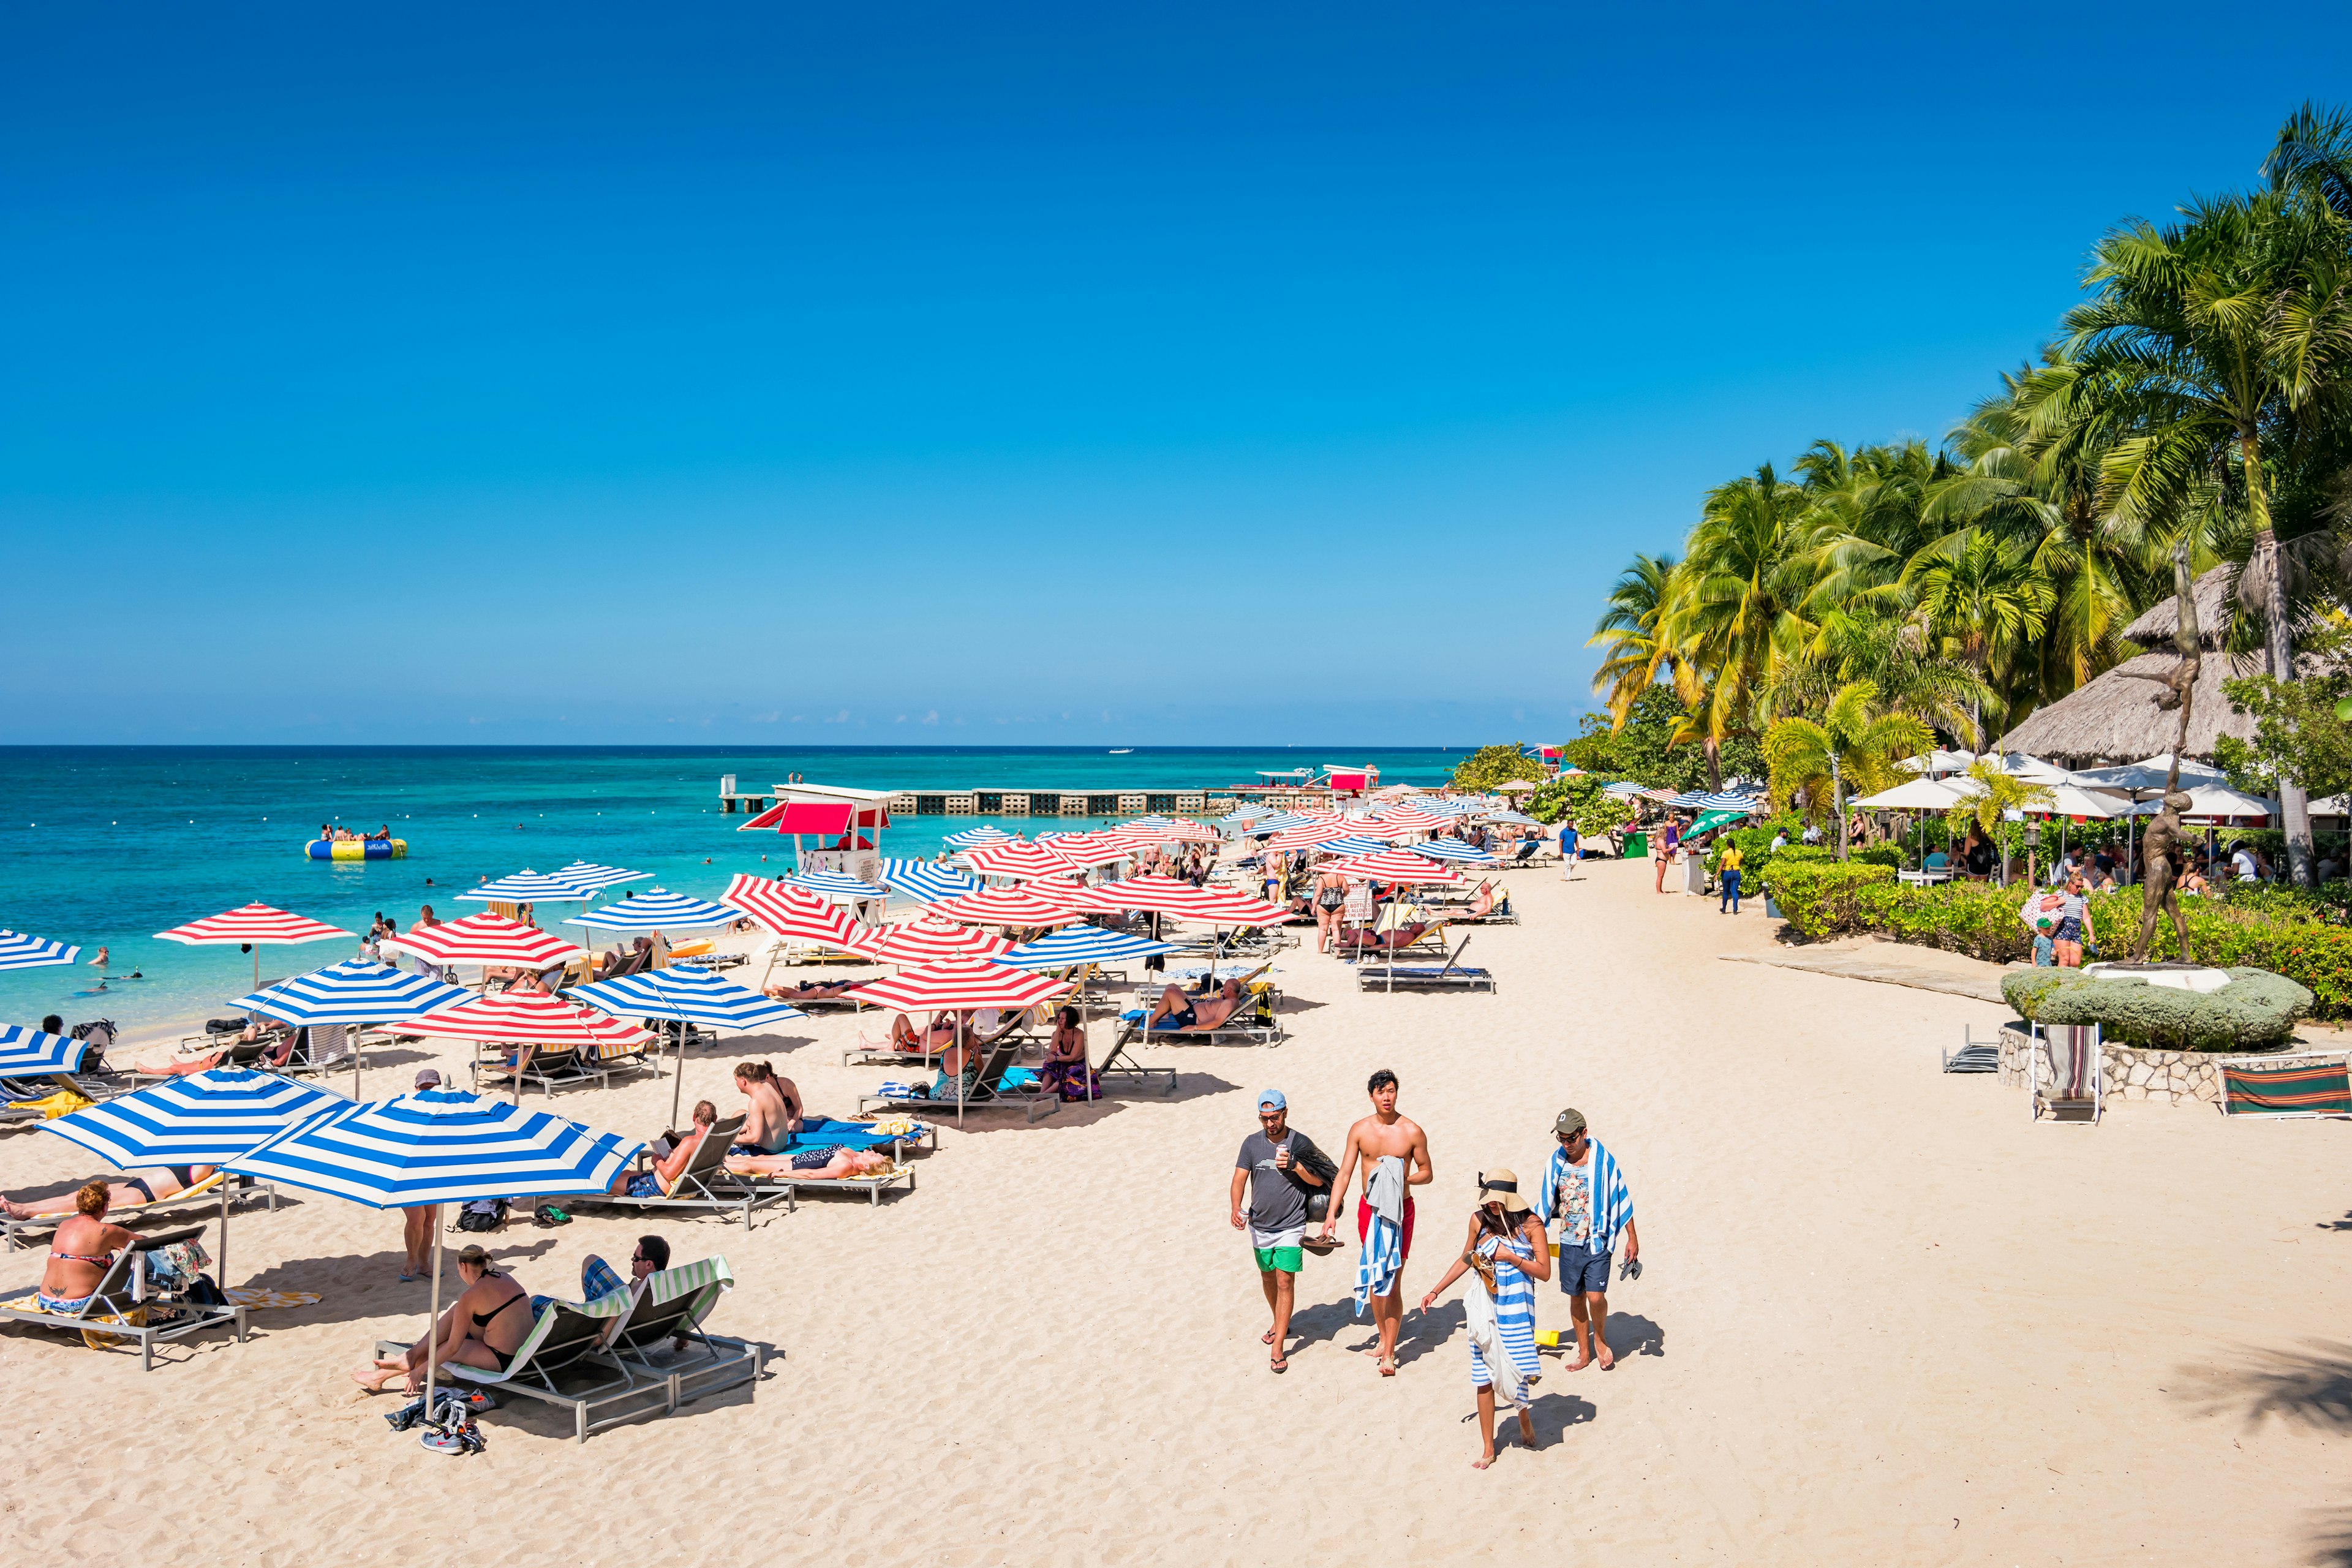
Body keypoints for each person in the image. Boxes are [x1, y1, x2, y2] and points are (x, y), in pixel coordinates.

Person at [1419, 1169, 1551, 1469]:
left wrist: (1512, 1258)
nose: (1491, 1206)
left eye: (1496, 1201)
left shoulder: (1532, 1225)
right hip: (1484, 1306)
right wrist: (1435, 1291)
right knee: (1483, 1377)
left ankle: (1523, 1414)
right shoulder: (1478, 1221)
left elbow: (1544, 1272)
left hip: (1518, 1309)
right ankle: (1489, 1448)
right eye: (1488, 1200)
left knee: (1516, 1369)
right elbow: (1467, 1258)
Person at [1317, 1068, 1433, 1378]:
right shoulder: (1359, 1130)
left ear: (1397, 1093)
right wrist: (1331, 1214)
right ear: (1371, 1096)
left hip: (1400, 1211)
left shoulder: (1411, 1131)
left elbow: (1427, 1172)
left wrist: (1400, 1179)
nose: (1386, 1097)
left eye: (1391, 1091)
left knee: (1392, 1279)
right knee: (1373, 1273)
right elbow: (1344, 1173)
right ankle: (1384, 1338)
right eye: (1381, 1092)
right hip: (1369, 1210)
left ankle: (1391, 1352)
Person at [1230, 1088, 1330, 1374]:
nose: (1270, 1124)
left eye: (1274, 1117)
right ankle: (1279, 1321)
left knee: (1286, 1281)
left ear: (1285, 1113)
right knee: (1269, 1278)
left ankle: (1278, 1347)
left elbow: (1320, 1179)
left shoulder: (1299, 1142)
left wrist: (1297, 1166)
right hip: (1260, 1225)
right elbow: (1239, 1178)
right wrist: (1236, 1208)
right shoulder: (1251, 1144)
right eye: (1264, 1119)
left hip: (1292, 1225)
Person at [352, 1244, 533, 1393]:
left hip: (504, 1358)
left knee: (441, 1347)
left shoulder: (470, 1298)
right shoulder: (505, 1277)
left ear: (464, 1267)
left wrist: (420, 1371)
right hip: (528, 1347)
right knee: (458, 1311)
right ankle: (409, 1357)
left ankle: (393, 1369)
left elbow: (452, 1348)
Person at [1537, 1109, 1638, 1371]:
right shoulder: (1557, 1162)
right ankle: (1584, 1353)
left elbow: (1621, 1196)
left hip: (1598, 1240)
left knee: (1595, 1297)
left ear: (1584, 1133)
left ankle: (1601, 1340)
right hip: (1569, 1242)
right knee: (1576, 1297)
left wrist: (1632, 1238)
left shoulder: (1603, 1161)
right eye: (1561, 1138)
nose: (1566, 1144)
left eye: (1571, 1138)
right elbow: (1545, 1203)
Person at [3, 1161, 218, 1220]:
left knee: (78, 1203)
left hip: (143, 1194)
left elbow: (198, 1172)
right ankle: (25, 1206)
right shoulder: (197, 1158)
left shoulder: (203, 1167)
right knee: (78, 1194)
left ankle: (26, 1212)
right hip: (138, 1184)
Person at [603, 1101, 718, 1197]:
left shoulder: (690, 1142)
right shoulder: (716, 1140)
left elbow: (669, 1174)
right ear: (715, 1119)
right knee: (625, 1173)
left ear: (694, 1117)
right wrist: (673, 1156)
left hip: (655, 1187)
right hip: (684, 1185)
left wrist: (657, 1160)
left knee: (605, 1183)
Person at [1147, 973, 1259, 1033]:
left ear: (1229, 990)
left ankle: (1151, 1022)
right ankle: (1163, 1013)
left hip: (1191, 1018)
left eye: (1225, 987)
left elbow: (1216, 1023)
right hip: (1192, 1007)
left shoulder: (1229, 1004)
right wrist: (1220, 998)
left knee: (1170, 993)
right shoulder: (1228, 1000)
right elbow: (1215, 1008)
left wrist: (1194, 1027)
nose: (1223, 987)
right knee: (1172, 986)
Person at [731, 1061, 800, 1154]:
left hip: (768, 1150)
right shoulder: (767, 1086)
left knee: (728, 1144)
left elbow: (756, 1138)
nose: (736, 1084)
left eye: (736, 1080)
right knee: (741, 1113)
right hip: (781, 1144)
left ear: (743, 1081)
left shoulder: (756, 1102)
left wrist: (732, 1138)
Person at [1039, 1006, 1099, 1100]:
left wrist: (1055, 1058)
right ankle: (1042, 1093)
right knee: (1048, 1064)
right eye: (1059, 1018)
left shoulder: (1079, 1034)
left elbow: (1072, 1057)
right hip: (1063, 1063)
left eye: (1063, 1019)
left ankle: (1043, 1095)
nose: (1060, 1021)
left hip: (1079, 1065)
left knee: (1070, 1071)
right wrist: (1058, 1031)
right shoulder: (1057, 1034)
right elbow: (1052, 1051)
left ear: (1070, 1020)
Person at [2052, 872, 2090, 968]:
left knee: (2075, 962)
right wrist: (2058, 902)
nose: (2079, 889)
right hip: (2063, 927)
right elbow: (2046, 904)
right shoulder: (2060, 894)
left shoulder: (2082, 898)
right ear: (2070, 884)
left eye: (2081, 887)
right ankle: (2060, 981)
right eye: (2077, 886)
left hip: (2076, 928)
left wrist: (2091, 933)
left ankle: (2070, 980)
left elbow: (2086, 917)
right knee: (2064, 959)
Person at [1313, 865, 1348, 953]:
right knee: (1336, 929)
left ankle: (1320, 951)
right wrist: (1342, 896)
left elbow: (1318, 894)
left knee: (1323, 929)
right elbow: (1347, 890)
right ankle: (1337, 951)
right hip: (1338, 904)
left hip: (1323, 904)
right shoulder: (1340, 877)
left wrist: (1313, 907)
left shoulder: (1322, 878)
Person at [1718, 840, 1744, 914]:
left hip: (1727, 872)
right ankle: (1735, 910)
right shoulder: (1739, 852)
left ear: (1728, 845)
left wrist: (1717, 874)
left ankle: (1724, 909)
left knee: (1726, 891)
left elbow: (1722, 864)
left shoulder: (1725, 853)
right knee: (1734, 891)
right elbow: (1741, 861)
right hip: (1736, 872)